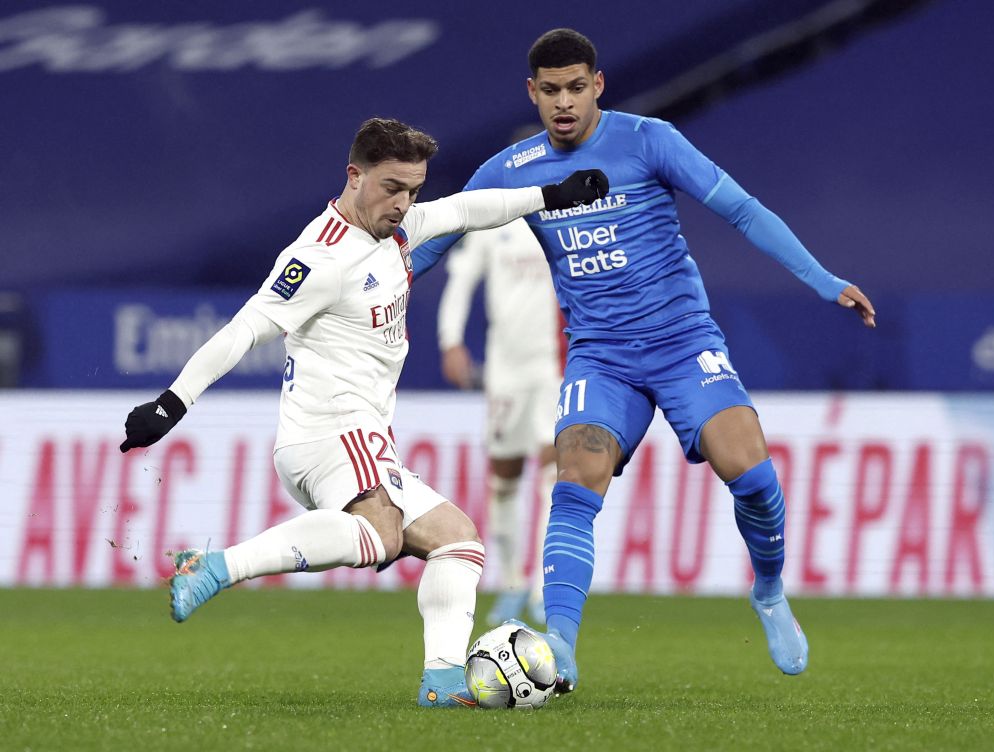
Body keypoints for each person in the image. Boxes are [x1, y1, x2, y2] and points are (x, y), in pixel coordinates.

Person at [410, 30, 877, 694]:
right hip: (601, 361)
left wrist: (824, 278)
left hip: (684, 345)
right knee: (574, 482)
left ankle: (769, 592)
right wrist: (373, 280)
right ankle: (561, 650)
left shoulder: (649, 140)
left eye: (577, 88)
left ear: (597, 85)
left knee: (752, 475)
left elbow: (741, 210)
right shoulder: (509, 170)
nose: (564, 103)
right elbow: (433, 238)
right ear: (532, 93)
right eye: (551, 91)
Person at [118, 116, 608, 708]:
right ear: (355, 176)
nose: (404, 203)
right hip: (329, 431)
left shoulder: (396, 232)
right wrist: (173, 403)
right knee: (382, 533)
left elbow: (472, 210)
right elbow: (246, 329)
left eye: (413, 190)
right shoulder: (318, 257)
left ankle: (444, 681)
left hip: (363, 437)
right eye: (391, 187)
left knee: (458, 542)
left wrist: (551, 195)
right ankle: (216, 566)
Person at [437, 215, 562, 626]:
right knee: (504, 480)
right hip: (505, 372)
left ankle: (545, 589)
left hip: (554, 365)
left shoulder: (563, 218)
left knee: (552, 476)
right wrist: (450, 339)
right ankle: (512, 583)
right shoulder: (492, 222)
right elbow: (461, 280)